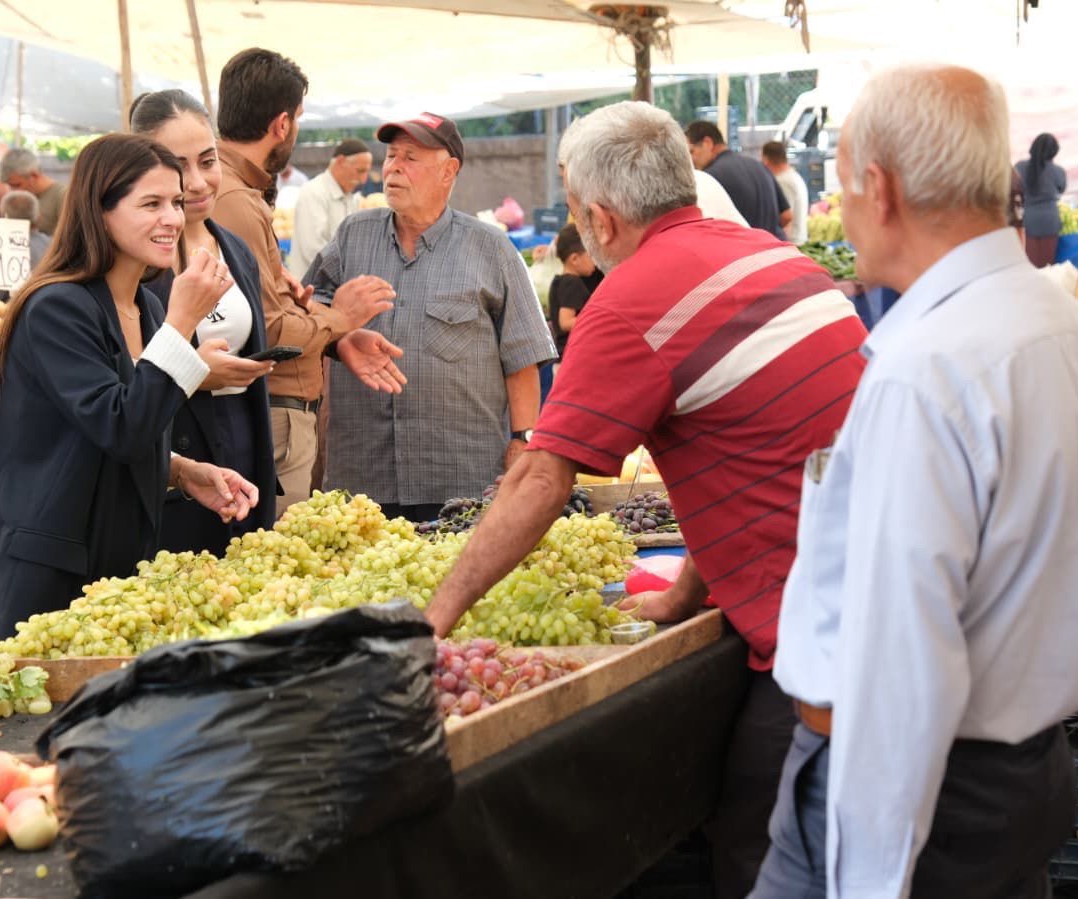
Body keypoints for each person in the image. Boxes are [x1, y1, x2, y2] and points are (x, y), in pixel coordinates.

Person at [422, 101, 866, 897]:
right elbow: (756, 455)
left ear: (599, 217)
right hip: (892, 598)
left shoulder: (628, 303)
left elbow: (539, 478)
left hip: (822, 640)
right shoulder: (774, 257)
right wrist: (690, 591)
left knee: (763, 851)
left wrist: (431, 621)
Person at [752, 63, 1078, 899]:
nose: (839, 213)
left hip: (920, 788)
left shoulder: (926, 371)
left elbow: (901, 666)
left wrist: (871, 879)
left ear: (878, 189)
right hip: (1016, 772)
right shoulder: (1077, 332)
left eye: (843, 189)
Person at [0, 133, 255, 642]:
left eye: (174, 202)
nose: (172, 217)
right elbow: (120, 426)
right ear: (100, 211)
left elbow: (106, 429)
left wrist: (182, 471)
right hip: (41, 582)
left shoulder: (144, 307)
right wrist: (183, 322)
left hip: (106, 572)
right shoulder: (58, 307)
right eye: (151, 203)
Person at [306, 113, 554, 523]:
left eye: (410, 157)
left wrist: (522, 440)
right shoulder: (353, 235)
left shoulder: (490, 248)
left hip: (459, 476)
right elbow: (306, 311)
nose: (393, 168)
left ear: (448, 170)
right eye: (390, 156)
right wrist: (339, 338)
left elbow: (522, 355)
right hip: (364, 479)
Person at [211, 48, 398, 515]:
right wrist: (341, 317)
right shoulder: (233, 198)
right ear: (281, 125)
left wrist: (336, 335)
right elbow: (267, 330)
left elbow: (272, 304)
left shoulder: (242, 191)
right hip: (273, 410)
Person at [130, 88, 281, 554]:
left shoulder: (235, 249)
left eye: (208, 160)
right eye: (179, 166)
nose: (197, 182)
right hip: (170, 462)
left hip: (242, 447)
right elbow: (116, 391)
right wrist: (192, 372)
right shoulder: (136, 265)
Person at [685, 121, 789, 239]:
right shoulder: (759, 166)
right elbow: (786, 215)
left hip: (746, 253)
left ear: (707, 143)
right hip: (776, 249)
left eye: (691, 151)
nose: (691, 159)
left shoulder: (709, 179)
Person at [286, 139, 372, 278]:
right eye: (360, 171)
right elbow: (314, 251)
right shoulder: (313, 193)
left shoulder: (351, 198)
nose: (363, 179)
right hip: (312, 292)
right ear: (340, 161)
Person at [1016, 133, 1066, 267]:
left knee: (1029, 264)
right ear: (1054, 151)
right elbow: (1061, 189)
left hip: (1028, 220)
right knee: (1047, 266)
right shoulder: (1058, 171)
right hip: (1050, 221)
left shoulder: (1020, 167)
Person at [546, 224, 594, 360]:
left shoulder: (560, 281)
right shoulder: (573, 284)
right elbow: (565, 322)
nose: (595, 262)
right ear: (574, 259)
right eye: (590, 255)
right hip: (569, 355)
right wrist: (595, 320)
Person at [0, 147, 68, 236]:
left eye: (17, 185)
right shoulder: (22, 197)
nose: (13, 191)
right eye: (10, 186)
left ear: (34, 175)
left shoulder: (62, 196)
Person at [762, 140, 809, 242]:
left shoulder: (783, 181)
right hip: (798, 238)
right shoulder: (793, 176)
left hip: (791, 241)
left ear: (765, 159)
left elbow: (786, 216)